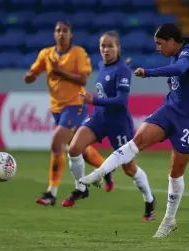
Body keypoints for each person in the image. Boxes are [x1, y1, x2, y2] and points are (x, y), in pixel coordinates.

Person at [79, 23, 189, 238]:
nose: (157, 48)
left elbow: (179, 70)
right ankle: (99, 173)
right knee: (136, 141)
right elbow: (176, 79)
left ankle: (169, 220)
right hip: (171, 109)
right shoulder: (178, 54)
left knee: (175, 172)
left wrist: (149, 72)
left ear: (171, 41)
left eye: (160, 44)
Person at [66, 30, 157, 220]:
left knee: (129, 169)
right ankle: (81, 188)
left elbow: (121, 101)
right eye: (103, 46)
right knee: (74, 148)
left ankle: (149, 199)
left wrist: (93, 100)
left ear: (118, 48)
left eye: (110, 46)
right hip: (99, 118)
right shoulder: (104, 64)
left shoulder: (122, 70)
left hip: (118, 124)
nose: (105, 50)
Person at [23, 21, 114, 206]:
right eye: (58, 31)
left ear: (71, 35)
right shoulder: (46, 54)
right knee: (76, 146)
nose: (61, 34)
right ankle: (106, 169)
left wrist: (60, 72)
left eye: (65, 31)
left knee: (57, 143)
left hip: (76, 105)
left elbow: (82, 78)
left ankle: (52, 193)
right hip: (56, 107)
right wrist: (31, 76)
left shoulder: (78, 53)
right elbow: (35, 71)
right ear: (54, 34)